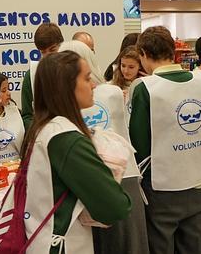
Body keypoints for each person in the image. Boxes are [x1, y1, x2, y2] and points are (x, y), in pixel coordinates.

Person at [21, 50, 132, 253]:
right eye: (87, 78)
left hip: (41, 238)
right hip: (63, 244)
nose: (94, 85)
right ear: (67, 86)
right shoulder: (66, 138)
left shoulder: (44, 127)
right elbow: (115, 207)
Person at [129, 26, 201, 254]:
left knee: (160, 245)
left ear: (142, 54)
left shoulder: (146, 89)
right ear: (173, 51)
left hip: (162, 187)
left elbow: (138, 145)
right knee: (195, 243)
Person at [61, 37, 148, 254]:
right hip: (119, 174)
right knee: (128, 243)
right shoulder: (112, 92)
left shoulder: (107, 92)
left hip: (93, 178)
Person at [21, 22, 64, 131]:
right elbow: (27, 116)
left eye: (52, 50)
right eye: (43, 52)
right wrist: (39, 132)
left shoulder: (73, 71)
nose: (48, 55)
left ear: (61, 45)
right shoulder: (31, 75)